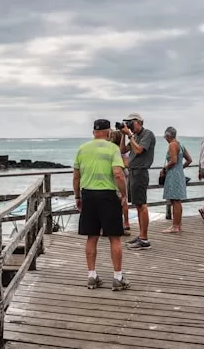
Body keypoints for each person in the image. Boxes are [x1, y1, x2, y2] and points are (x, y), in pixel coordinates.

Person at [73, 119, 130, 291]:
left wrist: (77, 196)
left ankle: (91, 276)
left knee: (92, 236)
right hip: (107, 196)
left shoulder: (82, 149)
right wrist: (124, 194)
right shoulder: (113, 148)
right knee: (114, 236)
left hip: (88, 195)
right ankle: (118, 278)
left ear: (93, 132)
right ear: (109, 132)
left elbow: (76, 177)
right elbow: (118, 174)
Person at [120, 113, 156, 250]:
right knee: (137, 204)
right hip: (133, 172)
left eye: (131, 123)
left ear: (139, 122)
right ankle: (141, 235)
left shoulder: (147, 134)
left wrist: (129, 135)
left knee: (142, 205)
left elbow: (139, 150)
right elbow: (123, 150)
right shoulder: (134, 136)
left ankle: (144, 239)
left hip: (140, 172)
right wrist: (123, 134)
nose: (130, 126)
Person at [159, 127, 192, 233]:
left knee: (175, 200)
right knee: (177, 200)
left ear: (168, 136)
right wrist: (180, 168)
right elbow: (189, 160)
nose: (165, 139)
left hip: (173, 174)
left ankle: (175, 226)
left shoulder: (172, 144)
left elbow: (173, 160)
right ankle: (178, 224)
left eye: (166, 137)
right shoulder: (180, 144)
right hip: (179, 173)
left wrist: (164, 168)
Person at [109, 130, 131, 235]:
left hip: (118, 175)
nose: (110, 137)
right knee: (122, 199)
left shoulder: (117, 150)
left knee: (121, 198)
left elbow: (126, 164)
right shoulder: (119, 149)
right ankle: (125, 222)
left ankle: (125, 222)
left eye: (112, 136)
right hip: (119, 175)